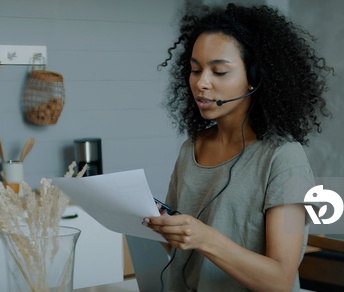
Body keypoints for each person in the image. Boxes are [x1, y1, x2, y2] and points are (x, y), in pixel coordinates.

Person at [142, 3, 332, 291]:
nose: (201, 83)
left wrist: (204, 237)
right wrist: (164, 229)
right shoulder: (190, 149)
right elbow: (186, 255)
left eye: (219, 72)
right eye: (195, 70)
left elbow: (280, 279)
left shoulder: (283, 158)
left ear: (254, 79)